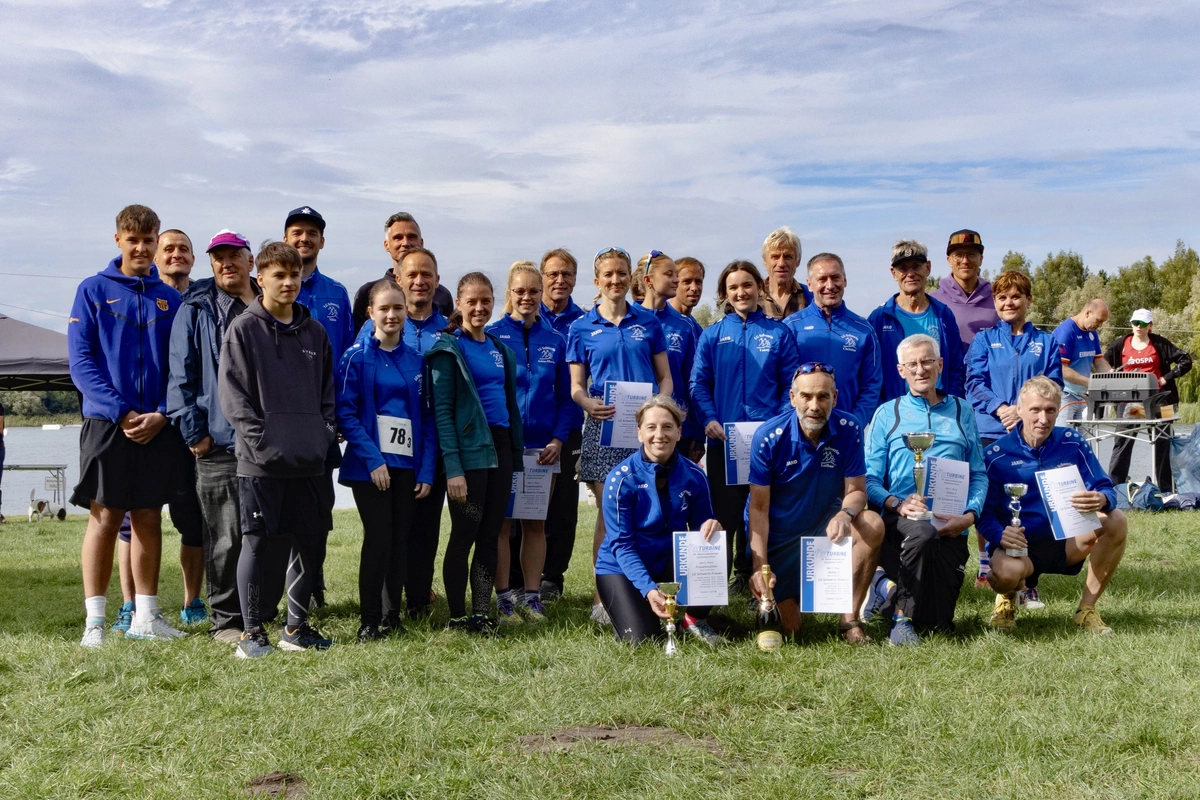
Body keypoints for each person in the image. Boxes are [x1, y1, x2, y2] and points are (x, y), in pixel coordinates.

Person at [69, 204, 187, 647]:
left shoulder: (171, 299)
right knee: (104, 517)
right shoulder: (93, 290)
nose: (141, 247)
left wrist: (161, 412)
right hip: (108, 423)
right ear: (118, 239)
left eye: (148, 239)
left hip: (157, 424)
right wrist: (121, 410)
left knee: (148, 517)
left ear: (157, 242)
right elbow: (81, 362)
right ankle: (95, 623)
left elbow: (181, 366)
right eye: (132, 239)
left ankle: (146, 618)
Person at [219, 241, 337, 658]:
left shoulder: (315, 332)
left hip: (310, 463)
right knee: (257, 543)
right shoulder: (243, 330)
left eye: (295, 275)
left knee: (311, 542)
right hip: (261, 465)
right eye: (279, 276)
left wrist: (322, 437)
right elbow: (234, 400)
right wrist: (264, 445)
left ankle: (295, 628)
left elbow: (328, 398)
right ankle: (251, 635)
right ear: (260, 279)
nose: (289, 283)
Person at [568, 247, 673, 624]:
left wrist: (660, 406)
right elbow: (576, 386)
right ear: (597, 281)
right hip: (604, 426)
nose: (615, 280)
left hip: (648, 428)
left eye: (621, 273)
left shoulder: (649, 321)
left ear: (632, 279)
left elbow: (665, 377)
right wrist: (586, 404)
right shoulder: (581, 327)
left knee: (651, 510)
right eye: (608, 274)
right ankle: (602, 600)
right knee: (607, 516)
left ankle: (647, 590)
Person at [167, 230, 261, 644]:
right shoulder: (196, 308)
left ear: (250, 262)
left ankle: (259, 611)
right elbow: (180, 377)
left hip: (266, 444)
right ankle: (227, 619)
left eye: (233, 256)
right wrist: (195, 434)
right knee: (223, 537)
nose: (226, 264)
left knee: (263, 533)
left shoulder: (271, 305)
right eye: (217, 258)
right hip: (217, 443)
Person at [863, 334, 988, 644]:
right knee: (922, 533)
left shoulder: (961, 411)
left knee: (937, 623)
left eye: (927, 361)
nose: (920, 369)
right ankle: (900, 621)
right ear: (901, 370)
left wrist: (969, 516)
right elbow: (868, 479)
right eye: (912, 364)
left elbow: (980, 474)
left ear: (940, 365)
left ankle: (883, 587)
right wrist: (896, 503)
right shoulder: (887, 414)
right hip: (903, 524)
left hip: (950, 524)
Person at [746, 363, 883, 643]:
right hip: (780, 542)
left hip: (824, 533)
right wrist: (760, 568)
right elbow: (758, 509)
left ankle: (849, 621)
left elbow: (857, 491)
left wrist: (845, 514)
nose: (814, 405)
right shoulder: (767, 437)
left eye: (822, 396)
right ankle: (782, 596)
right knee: (793, 631)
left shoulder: (850, 428)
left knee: (871, 523)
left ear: (835, 396)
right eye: (806, 396)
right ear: (792, 398)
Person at [981, 377, 1127, 634]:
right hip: (1020, 548)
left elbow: (1104, 486)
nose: (1043, 419)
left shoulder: (1071, 441)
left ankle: (1086, 610)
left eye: (1050, 410)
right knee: (1004, 574)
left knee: (1116, 520)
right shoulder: (996, 455)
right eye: (1035, 409)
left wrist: (1102, 499)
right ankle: (1006, 597)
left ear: (1059, 410)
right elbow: (983, 512)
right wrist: (998, 534)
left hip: (1068, 541)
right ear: (1020, 409)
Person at [692, 260, 802, 593]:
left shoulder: (779, 332)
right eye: (733, 287)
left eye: (747, 285)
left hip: (767, 443)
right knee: (723, 515)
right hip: (723, 442)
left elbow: (791, 385)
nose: (741, 292)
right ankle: (715, 589)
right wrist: (709, 418)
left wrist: (778, 425)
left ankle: (763, 581)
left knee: (762, 512)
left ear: (760, 287)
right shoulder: (712, 335)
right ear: (724, 293)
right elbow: (699, 383)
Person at [337, 280, 436, 642]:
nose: (392, 315)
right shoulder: (356, 357)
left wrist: (425, 469)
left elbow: (426, 419)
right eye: (384, 309)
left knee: (400, 540)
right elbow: (346, 414)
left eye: (398, 308)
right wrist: (373, 459)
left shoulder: (417, 361)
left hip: (407, 466)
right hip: (369, 468)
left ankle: (392, 618)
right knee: (378, 539)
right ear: (371, 313)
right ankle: (369, 620)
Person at [427, 272, 524, 632]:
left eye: (486, 301)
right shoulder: (448, 348)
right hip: (468, 454)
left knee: (490, 535)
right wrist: (452, 468)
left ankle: (482, 614)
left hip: (500, 450)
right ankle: (456, 616)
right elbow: (442, 412)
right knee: (464, 534)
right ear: (460, 305)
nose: (480, 307)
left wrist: (514, 453)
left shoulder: (500, 350)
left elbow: (509, 405)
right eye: (472, 301)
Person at [594, 395, 723, 645]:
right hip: (620, 568)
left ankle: (695, 618)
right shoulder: (620, 479)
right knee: (642, 640)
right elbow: (622, 545)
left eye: (667, 427)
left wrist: (710, 525)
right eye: (651, 427)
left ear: (679, 432)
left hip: (666, 561)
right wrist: (649, 589)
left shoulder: (695, 474)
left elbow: (702, 528)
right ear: (639, 433)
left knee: (716, 543)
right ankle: (633, 606)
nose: (659, 434)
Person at [487, 263, 575, 624]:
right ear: (509, 292)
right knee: (502, 526)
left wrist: (558, 438)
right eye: (519, 291)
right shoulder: (492, 336)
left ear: (541, 294)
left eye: (533, 291)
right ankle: (505, 597)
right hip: (504, 447)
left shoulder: (555, 340)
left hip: (543, 450)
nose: (526, 298)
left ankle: (532, 596)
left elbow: (568, 398)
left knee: (535, 524)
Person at [965, 269, 1062, 591]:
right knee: (990, 500)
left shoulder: (1046, 342)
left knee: (1029, 499)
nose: (1009, 302)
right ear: (995, 301)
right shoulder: (984, 340)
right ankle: (984, 564)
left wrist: (1026, 414)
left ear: (1028, 300)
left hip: (1033, 432)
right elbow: (974, 383)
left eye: (1015, 296)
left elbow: (1054, 385)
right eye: (1002, 297)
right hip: (993, 429)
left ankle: (1027, 572)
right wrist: (1001, 408)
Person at [284, 206, 351, 609]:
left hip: (323, 419)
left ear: (322, 241)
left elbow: (344, 358)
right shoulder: (269, 288)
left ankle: (313, 586)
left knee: (318, 505)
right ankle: (287, 589)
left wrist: (340, 414)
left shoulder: (337, 294)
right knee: (281, 507)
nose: (304, 239)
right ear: (286, 238)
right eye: (297, 232)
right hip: (281, 420)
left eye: (311, 233)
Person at [538, 248, 587, 601]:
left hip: (567, 427)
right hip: (528, 428)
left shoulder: (582, 322)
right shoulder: (523, 312)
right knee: (523, 503)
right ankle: (516, 576)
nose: (560, 280)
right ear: (542, 276)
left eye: (567, 274)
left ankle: (552, 577)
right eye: (553, 273)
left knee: (562, 507)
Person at [784, 252, 882, 427]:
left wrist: (855, 422)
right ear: (810, 284)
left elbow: (872, 385)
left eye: (835, 277)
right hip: (802, 428)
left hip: (847, 430)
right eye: (822, 279)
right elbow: (782, 381)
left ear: (845, 280)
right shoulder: (791, 327)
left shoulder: (863, 329)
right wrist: (794, 423)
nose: (830, 285)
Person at [1105, 308, 1192, 492]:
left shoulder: (1160, 343)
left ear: (1150, 326)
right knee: (1123, 441)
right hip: (1129, 402)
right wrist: (1111, 373)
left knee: (1163, 441)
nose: (1138, 326)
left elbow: (1186, 360)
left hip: (1159, 400)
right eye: (1135, 322)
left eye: (1143, 323)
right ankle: (1115, 489)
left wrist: (1165, 378)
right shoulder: (1121, 344)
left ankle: (1166, 490)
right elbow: (1102, 363)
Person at [869, 240, 966, 403]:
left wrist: (952, 403)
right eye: (903, 269)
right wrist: (883, 410)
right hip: (896, 414)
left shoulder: (943, 315)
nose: (910, 274)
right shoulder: (879, 318)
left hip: (940, 411)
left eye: (916, 266)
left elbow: (956, 368)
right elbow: (871, 373)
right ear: (893, 273)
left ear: (927, 268)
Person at [633, 251, 702, 461]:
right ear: (649, 280)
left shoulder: (685, 326)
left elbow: (695, 383)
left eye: (676, 275)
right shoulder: (627, 321)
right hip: (631, 427)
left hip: (675, 430)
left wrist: (697, 434)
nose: (676, 280)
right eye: (669, 274)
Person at [351, 212, 453, 333]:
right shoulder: (367, 292)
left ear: (421, 243)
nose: (405, 243)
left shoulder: (441, 294)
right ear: (386, 245)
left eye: (411, 237)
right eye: (398, 237)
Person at [928, 229, 998, 348]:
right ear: (949, 260)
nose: (965, 261)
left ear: (981, 259)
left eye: (971, 254)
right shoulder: (932, 302)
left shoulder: (998, 299)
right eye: (958, 255)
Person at [1053, 299, 1111, 423]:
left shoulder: (1092, 332)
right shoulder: (1066, 332)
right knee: (1063, 440)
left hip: (1082, 397)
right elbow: (1061, 369)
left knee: (1083, 441)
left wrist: (1113, 375)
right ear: (1087, 313)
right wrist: (1091, 383)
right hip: (1064, 396)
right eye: (1099, 320)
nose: (1100, 325)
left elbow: (1098, 360)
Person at [759, 226, 811, 320]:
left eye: (788, 257)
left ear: (797, 261)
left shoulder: (810, 297)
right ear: (765, 261)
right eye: (775, 256)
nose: (781, 263)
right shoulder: (752, 297)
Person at [669, 256, 706, 341]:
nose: (694, 288)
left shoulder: (698, 331)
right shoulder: (658, 321)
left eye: (698, 282)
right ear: (674, 283)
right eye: (687, 281)